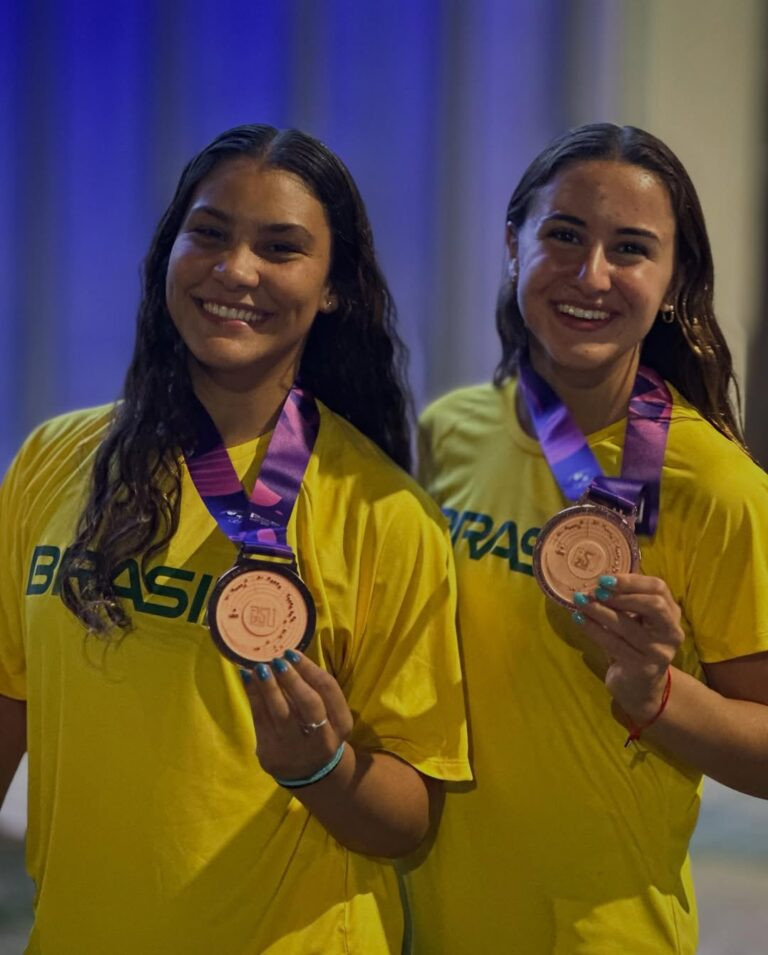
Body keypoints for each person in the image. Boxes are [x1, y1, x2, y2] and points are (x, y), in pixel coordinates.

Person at [0, 124, 470, 954]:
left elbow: (410, 816)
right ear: (169, 253)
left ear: (333, 287)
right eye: (210, 234)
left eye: (280, 247)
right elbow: (10, 699)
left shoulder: (385, 515)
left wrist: (320, 766)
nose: (236, 270)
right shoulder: (52, 460)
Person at [405, 123, 768, 954]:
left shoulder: (721, 490)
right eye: (564, 235)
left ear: (674, 281)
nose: (592, 273)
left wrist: (658, 693)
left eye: (630, 248)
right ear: (513, 245)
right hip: (424, 920)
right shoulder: (448, 432)